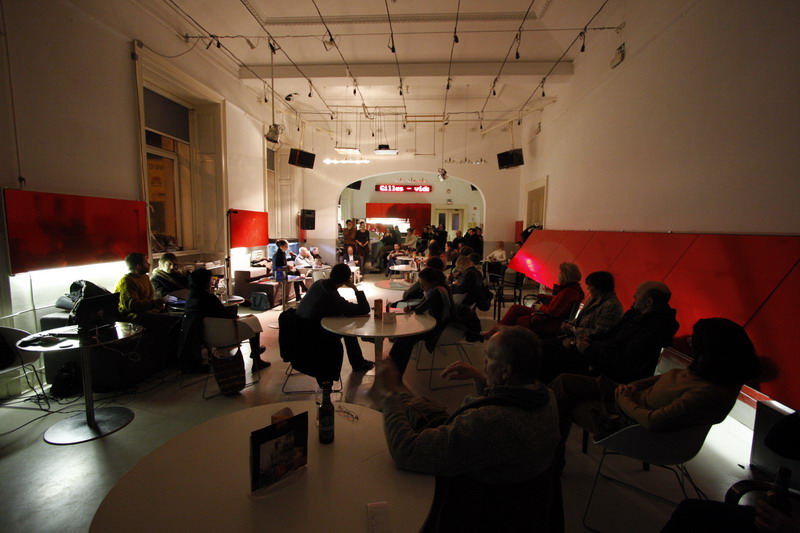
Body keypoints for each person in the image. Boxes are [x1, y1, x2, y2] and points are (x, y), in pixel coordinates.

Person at [550, 318, 760, 470]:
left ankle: (551, 458)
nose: (690, 344)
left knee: (563, 400)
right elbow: (660, 379)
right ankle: (550, 453)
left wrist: (625, 399)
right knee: (564, 381)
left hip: (629, 420)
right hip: (630, 397)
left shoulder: (708, 394)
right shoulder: (708, 373)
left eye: (693, 342)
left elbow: (653, 421)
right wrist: (633, 387)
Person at [375, 325, 560, 489]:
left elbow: (407, 452)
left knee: (397, 412)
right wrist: (481, 378)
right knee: (413, 404)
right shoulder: (547, 397)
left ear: (506, 371)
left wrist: (389, 393)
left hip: (470, 492)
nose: (484, 362)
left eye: (489, 357)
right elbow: (502, 406)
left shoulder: (491, 422)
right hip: (513, 479)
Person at [552, 280, 680, 384]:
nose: (634, 296)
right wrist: (590, 340)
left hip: (612, 377)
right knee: (554, 349)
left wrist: (588, 349)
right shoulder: (635, 315)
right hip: (598, 357)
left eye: (638, 293)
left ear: (649, 302)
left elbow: (624, 362)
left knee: (556, 360)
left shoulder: (654, 330)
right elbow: (609, 335)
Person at [180, 268, 269, 372]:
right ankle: (256, 359)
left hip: (205, 337)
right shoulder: (209, 298)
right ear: (205, 282)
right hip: (223, 335)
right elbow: (226, 317)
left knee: (248, 320)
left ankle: (255, 352)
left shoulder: (190, 299)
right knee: (253, 321)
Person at [295, 263, 375, 374]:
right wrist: (354, 288)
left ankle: (358, 362)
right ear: (347, 280)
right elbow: (364, 309)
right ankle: (358, 363)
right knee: (348, 330)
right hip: (314, 333)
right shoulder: (331, 296)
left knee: (346, 325)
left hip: (299, 327)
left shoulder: (319, 283)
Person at [483, 262, 585, 340]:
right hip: (551, 319)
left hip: (548, 321)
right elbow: (560, 302)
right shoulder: (573, 290)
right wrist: (546, 297)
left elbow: (554, 312)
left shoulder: (568, 291)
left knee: (515, 310)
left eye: (560, 273)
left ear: (565, 276)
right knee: (516, 311)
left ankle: (495, 333)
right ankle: (498, 334)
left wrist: (540, 307)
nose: (558, 275)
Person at [388, 267, 454, 375]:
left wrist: (414, 308)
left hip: (437, 329)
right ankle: (393, 365)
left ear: (432, 283)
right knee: (404, 337)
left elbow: (420, 309)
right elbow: (421, 305)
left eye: (424, 284)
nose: (422, 287)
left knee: (406, 338)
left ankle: (395, 369)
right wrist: (411, 307)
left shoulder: (436, 293)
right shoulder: (435, 289)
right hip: (433, 323)